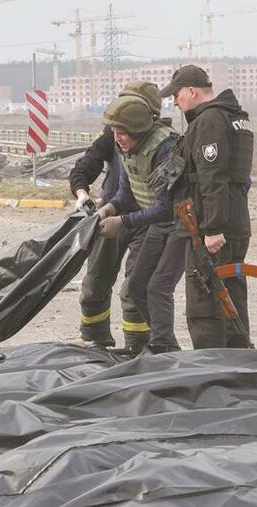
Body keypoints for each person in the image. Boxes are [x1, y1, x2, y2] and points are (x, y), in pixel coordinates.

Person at [158, 65, 254, 349]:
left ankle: (209, 371)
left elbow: (212, 179)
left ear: (191, 91)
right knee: (231, 297)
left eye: (176, 95)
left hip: (213, 231)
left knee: (205, 304)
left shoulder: (209, 121)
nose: (175, 102)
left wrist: (212, 228)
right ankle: (239, 365)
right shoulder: (233, 117)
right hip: (235, 222)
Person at [68, 81, 164, 353]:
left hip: (146, 220)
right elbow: (87, 164)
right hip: (111, 214)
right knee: (94, 284)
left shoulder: (162, 142)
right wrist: (81, 193)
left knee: (135, 289)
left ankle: (138, 349)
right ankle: (95, 342)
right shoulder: (113, 134)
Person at [94, 96, 183, 354]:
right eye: (114, 132)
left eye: (122, 133)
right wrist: (110, 207)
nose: (117, 138)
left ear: (137, 130)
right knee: (136, 286)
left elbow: (165, 206)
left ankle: (164, 347)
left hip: (182, 225)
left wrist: (122, 222)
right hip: (158, 223)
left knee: (158, 287)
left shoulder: (166, 148)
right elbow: (127, 190)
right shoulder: (125, 147)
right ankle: (163, 343)